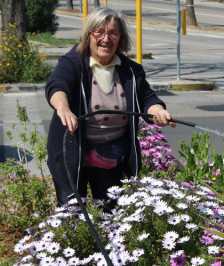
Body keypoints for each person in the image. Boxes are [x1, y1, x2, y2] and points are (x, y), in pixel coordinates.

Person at [45, 8, 174, 206]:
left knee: (111, 209)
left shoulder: (132, 70)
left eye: (113, 33)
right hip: (72, 150)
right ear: (89, 35)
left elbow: (147, 98)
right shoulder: (73, 63)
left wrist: (157, 110)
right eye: (99, 32)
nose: (106, 38)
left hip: (112, 155)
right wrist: (63, 108)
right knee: (72, 211)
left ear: (120, 38)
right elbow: (57, 86)